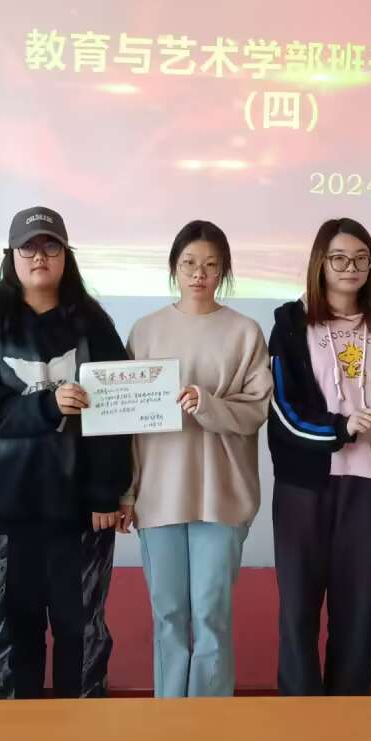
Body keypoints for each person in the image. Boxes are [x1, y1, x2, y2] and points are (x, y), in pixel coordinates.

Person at [0, 206, 130, 698]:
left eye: (51, 246)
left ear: (66, 256)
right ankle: (18, 737)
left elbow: (118, 413)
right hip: (8, 508)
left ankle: (83, 733)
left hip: (81, 511)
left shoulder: (93, 323)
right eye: (27, 247)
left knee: (83, 633)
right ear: (10, 256)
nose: (39, 256)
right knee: (14, 634)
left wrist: (107, 492)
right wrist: (46, 407)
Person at [120, 220, 272, 697]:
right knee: (168, 615)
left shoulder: (245, 332)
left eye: (210, 265)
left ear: (223, 270)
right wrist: (126, 492)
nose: (199, 274)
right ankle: (169, 715)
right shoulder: (145, 331)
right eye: (189, 263)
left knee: (211, 616)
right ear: (174, 267)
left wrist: (207, 404)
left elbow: (256, 411)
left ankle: (209, 720)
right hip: (158, 496)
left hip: (222, 495)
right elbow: (126, 420)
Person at [267, 217, 371, 695]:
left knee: (356, 611)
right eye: (340, 258)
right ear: (320, 263)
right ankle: (299, 711)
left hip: (367, 485)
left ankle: (349, 713)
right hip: (304, 484)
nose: (351, 268)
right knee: (298, 609)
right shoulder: (291, 322)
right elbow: (282, 408)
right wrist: (339, 428)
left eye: (361, 259)